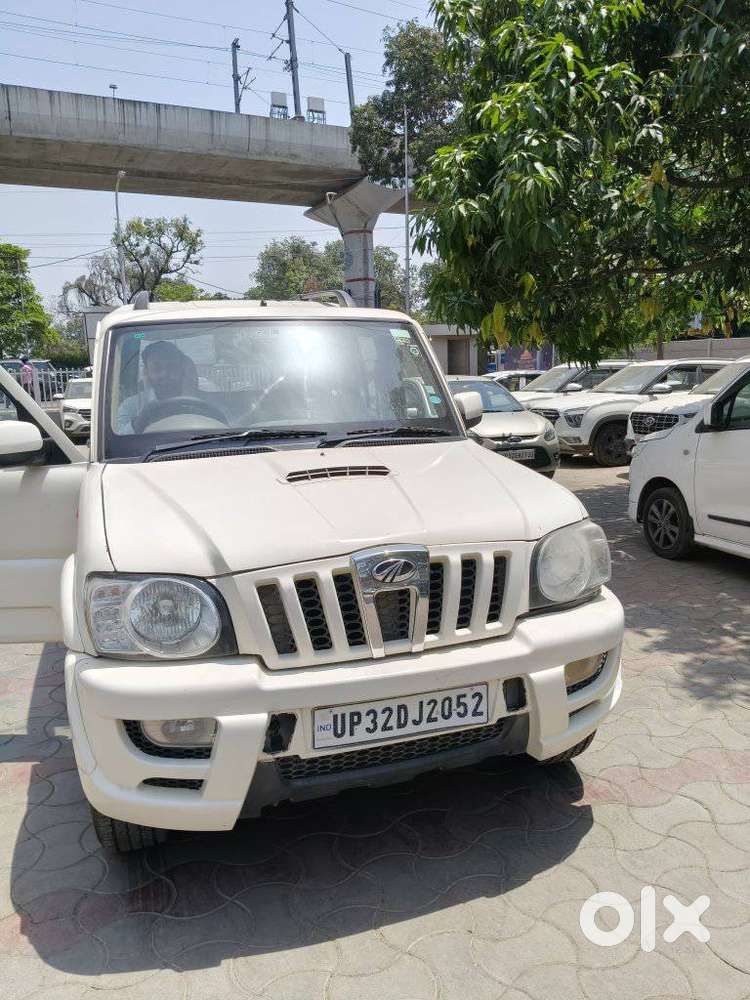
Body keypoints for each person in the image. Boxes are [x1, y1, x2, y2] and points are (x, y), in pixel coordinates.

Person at [116, 340, 199, 434]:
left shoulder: (205, 403)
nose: (165, 374)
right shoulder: (130, 406)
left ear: (182, 370)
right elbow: (119, 439)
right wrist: (142, 419)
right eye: (156, 367)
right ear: (146, 372)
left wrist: (190, 399)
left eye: (172, 367)